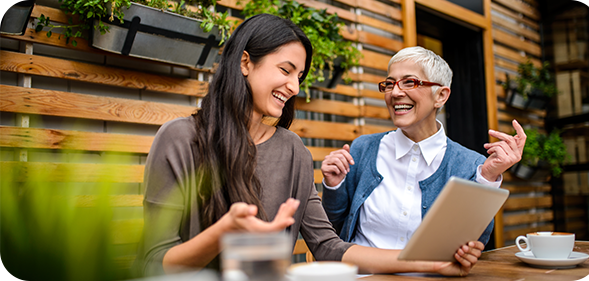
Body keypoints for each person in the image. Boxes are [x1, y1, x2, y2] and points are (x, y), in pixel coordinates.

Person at [136, 15, 483, 277]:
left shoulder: (292, 151)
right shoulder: (180, 139)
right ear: (245, 62)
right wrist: (224, 231)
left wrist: (433, 263)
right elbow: (155, 263)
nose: (294, 87)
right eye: (285, 70)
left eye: (299, 76)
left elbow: (329, 247)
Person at [321, 46, 526, 251]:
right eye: (390, 84)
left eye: (410, 82)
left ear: (441, 96)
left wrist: (487, 179)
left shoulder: (472, 165)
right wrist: (334, 186)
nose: (396, 92)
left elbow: (472, 244)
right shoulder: (363, 149)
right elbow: (334, 228)